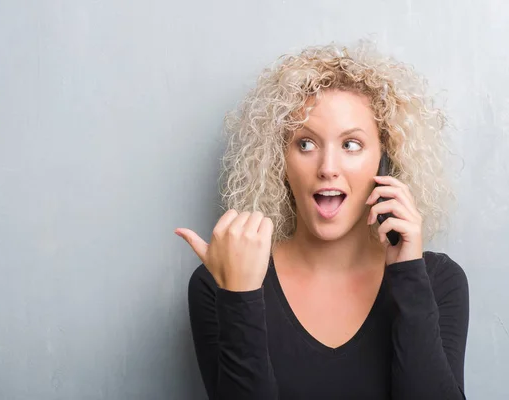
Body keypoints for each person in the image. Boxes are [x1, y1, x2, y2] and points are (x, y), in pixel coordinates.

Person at [174, 40, 469, 399]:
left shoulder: (438, 281)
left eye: (351, 145)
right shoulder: (220, 281)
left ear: (385, 160)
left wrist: (408, 275)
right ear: (278, 161)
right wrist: (240, 297)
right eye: (305, 144)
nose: (328, 168)